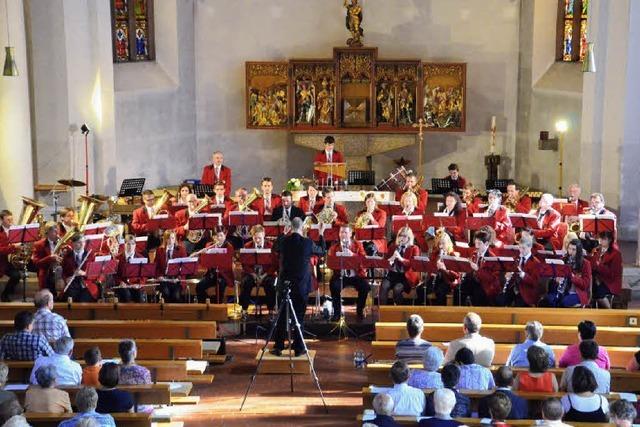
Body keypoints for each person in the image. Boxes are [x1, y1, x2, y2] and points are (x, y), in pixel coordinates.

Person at [271, 217, 325, 357]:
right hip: (301, 285)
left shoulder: (284, 241)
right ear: (302, 228)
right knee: (299, 317)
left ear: (290, 227)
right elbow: (322, 251)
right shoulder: (307, 243)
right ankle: (299, 348)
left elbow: (274, 248)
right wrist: (321, 234)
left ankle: (278, 347)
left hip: (285, 285)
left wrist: (282, 234)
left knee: (282, 316)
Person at [328, 224, 369, 321]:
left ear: (350, 234)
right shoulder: (334, 247)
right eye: (341, 232)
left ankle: (359, 310)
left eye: (345, 232)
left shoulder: (357, 245)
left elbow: (364, 260)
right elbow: (330, 262)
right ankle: (337, 313)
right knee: (334, 286)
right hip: (341, 275)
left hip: (355, 275)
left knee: (365, 287)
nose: (343, 234)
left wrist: (353, 255)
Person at [239, 225, 277, 316]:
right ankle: (244, 309)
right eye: (255, 238)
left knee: (270, 284)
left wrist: (264, 275)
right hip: (252, 273)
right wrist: (253, 274)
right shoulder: (247, 246)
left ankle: (271, 310)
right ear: (252, 237)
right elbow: (244, 264)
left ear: (264, 235)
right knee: (245, 283)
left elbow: (275, 264)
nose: (258, 240)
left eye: (260, 238)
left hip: (266, 273)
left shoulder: (271, 246)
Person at [457, 230, 501, 306]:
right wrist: (465, 269)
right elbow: (471, 272)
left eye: (479, 244)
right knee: (458, 289)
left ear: (487, 243)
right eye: (476, 243)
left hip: (485, 286)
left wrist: (477, 269)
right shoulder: (475, 254)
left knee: (478, 293)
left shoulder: (492, 258)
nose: (476, 246)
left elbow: (491, 278)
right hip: (474, 282)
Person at [496, 234, 541, 307]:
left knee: (519, 304)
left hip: (526, 292)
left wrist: (523, 275)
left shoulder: (536, 263)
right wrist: (507, 275)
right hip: (513, 288)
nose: (521, 250)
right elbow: (509, 272)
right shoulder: (516, 258)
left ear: (530, 247)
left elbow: (535, 282)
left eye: (523, 248)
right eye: (519, 248)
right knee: (499, 300)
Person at [545, 239, 591, 308]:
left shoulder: (585, 264)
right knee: (550, 300)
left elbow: (585, 284)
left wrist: (572, 276)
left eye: (573, 249)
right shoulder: (563, 260)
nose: (571, 252)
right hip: (562, 290)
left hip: (576, 292)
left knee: (564, 302)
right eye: (569, 249)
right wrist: (556, 279)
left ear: (578, 251)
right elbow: (554, 277)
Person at [381, 226, 420, 305]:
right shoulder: (393, 246)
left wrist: (401, 259)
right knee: (383, 287)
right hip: (392, 274)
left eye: (404, 236)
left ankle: (398, 311)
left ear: (409, 237)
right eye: (400, 235)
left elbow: (414, 264)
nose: (402, 238)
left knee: (397, 289)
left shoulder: (414, 248)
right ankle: (382, 311)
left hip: (405, 276)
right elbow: (385, 262)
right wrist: (391, 258)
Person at [195, 226, 235, 303]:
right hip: (211, 274)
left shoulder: (229, 247)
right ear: (213, 237)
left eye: (221, 236)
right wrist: (203, 254)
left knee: (220, 285)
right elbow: (204, 263)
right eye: (217, 236)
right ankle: (206, 305)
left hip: (224, 275)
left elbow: (228, 265)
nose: (219, 238)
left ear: (225, 235)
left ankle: (217, 306)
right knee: (199, 286)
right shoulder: (209, 245)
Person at [61, 233, 99, 302]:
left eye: (83, 242)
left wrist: (84, 273)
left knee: (83, 300)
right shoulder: (67, 257)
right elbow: (63, 272)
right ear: (73, 243)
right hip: (72, 285)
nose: (82, 244)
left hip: (87, 285)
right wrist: (66, 279)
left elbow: (95, 274)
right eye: (79, 242)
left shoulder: (91, 256)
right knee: (70, 299)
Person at [591, 230, 623, 308]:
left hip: (610, 282)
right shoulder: (597, 250)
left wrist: (599, 265)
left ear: (609, 240)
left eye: (604, 239)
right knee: (589, 286)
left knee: (597, 291)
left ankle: (609, 310)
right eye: (600, 238)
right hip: (598, 279)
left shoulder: (616, 254)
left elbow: (613, 274)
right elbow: (593, 265)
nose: (601, 241)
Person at [154, 229, 188, 303]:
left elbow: (185, 268)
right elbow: (156, 267)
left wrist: (179, 277)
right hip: (164, 280)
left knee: (176, 296)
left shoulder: (181, 250)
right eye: (168, 238)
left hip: (177, 280)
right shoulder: (159, 251)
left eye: (172, 238)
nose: (170, 240)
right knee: (166, 293)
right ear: (165, 239)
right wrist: (159, 276)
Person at [31, 222, 63, 293]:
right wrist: (50, 258)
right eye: (54, 231)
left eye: (58, 230)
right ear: (48, 233)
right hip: (47, 274)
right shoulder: (39, 244)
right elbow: (36, 263)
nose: (57, 233)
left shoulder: (62, 243)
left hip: (60, 273)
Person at [114, 234, 146, 303]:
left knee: (140, 296)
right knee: (126, 295)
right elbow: (114, 275)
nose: (130, 246)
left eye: (132, 244)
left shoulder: (141, 258)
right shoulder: (117, 258)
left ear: (135, 245)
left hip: (136, 286)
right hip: (123, 287)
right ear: (124, 244)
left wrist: (140, 283)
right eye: (128, 244)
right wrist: (120, 282)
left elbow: (144, 275)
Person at [0, 210, 21, 302]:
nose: (11, 221)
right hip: (1, 262)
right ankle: (5, 295)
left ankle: (7, 292)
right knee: (15, 275)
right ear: (2, 220)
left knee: (17, 275)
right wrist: (13, 246)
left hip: (11, 261)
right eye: (8, 219)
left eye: (11, 219)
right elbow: (1, 250)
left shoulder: (16, 231)